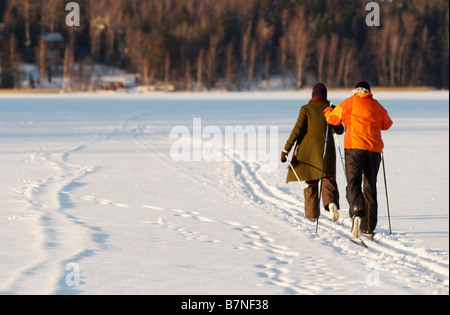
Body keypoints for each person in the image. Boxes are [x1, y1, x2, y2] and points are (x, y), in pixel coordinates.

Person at [324, 81, 393, 239]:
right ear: (368, 91)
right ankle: (368, 228)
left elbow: (333, 120)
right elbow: (387, 124)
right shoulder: (377, 105)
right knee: (370, 188)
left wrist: (328, 110)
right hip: (374, 150)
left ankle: (356, 212)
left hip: (354, 148)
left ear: (355, 91)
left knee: (353, 183)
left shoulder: (348, 103)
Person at [281, 83, 344, 222]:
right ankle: (331, 203)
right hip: (327, 152)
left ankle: (312, 216)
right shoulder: (332, 109)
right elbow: (340, 130)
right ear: (325, 95)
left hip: (308, 152)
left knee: (312, 183)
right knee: (328, 179)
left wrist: (286, 149)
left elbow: (297, 131)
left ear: (313, 95)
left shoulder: (306, 109)